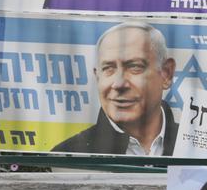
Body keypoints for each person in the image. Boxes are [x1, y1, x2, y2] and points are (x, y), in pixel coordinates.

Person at [53, 21, 178, 156]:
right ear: (97, 77)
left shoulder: (198, 149)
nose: (118, 84)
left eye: (135, 66)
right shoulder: (68, 155)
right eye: (108, 69)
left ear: (166, 74)